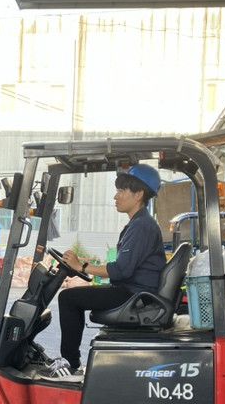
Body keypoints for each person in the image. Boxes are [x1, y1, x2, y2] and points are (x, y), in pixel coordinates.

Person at [41, 163, 166, 380]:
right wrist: (83, 266)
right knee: (72, 297)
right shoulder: (139, 223)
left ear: (138, 194)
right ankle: (71, 362)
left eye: (121, 191)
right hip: (134, 291)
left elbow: (121, 270)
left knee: (68, 298)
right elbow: (122, 267)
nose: (115, 197)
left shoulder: (142, 226)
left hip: (135, 295)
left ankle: (71, 365)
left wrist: (81, 267)